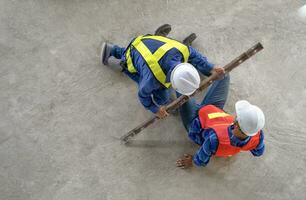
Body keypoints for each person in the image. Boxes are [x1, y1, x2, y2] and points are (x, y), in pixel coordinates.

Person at [100, 24, 224, 118]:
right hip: (134, 52)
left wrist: (211, 67)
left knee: (179, 52)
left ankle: (159, 37)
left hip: (147, 41)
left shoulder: (182, 49)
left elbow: (196, 56)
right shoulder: (152, 81)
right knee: (163, 96)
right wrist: (155, 109)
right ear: (174, 85)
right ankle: (112, 50)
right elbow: (143, 96)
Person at [175, 74, 266, 169]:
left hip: (195, 121)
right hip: (214, 111)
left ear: (236, 125)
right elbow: (258, 152)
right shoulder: (257, 135)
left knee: (181, 82)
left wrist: (193, 161)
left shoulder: (214, 139)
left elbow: (201, 160)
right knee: (224, 75)